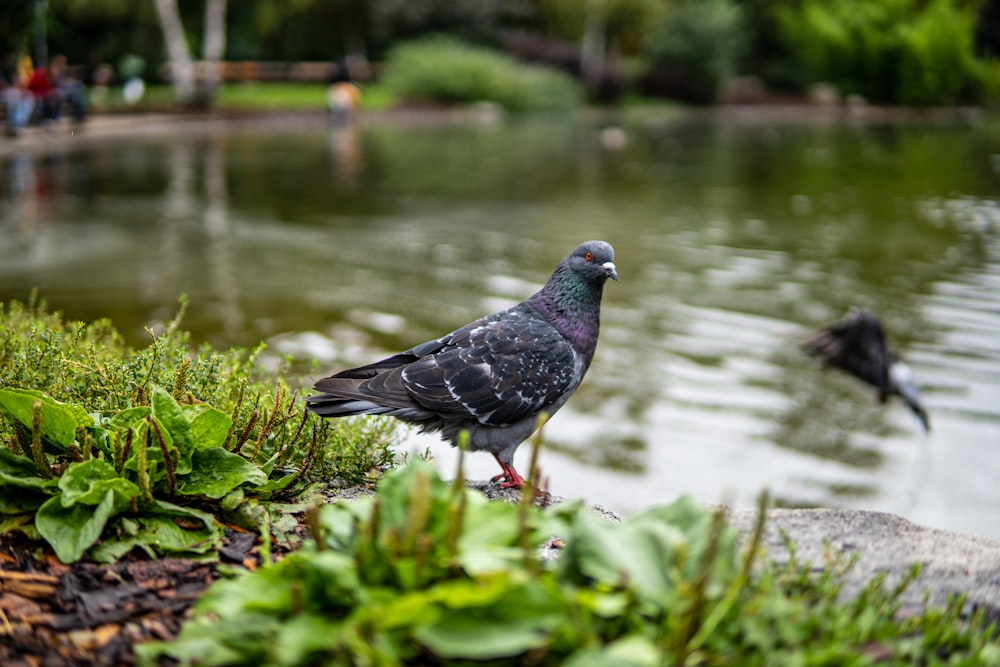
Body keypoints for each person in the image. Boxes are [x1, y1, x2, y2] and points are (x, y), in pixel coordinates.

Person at [27, 55, 87, 124]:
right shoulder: (41, 74)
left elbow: (59, 85)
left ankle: (58, 117)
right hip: (39, 95)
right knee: (57, 95)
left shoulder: (56, 75)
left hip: (49, 94)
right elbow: (32, 86)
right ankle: (48, 117)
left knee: (70, 90)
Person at [1, 52, 35, 136]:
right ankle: (14, 124)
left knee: (29, 96)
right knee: (15, 95)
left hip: (13, 91)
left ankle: (19, 123)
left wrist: (19, 88)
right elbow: (2, 85)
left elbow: (16, 81)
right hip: (4, 92)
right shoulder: (1, 69)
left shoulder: (12, 68)